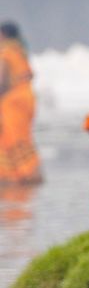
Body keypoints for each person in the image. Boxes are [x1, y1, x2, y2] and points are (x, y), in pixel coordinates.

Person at [0, 21, 41, 184]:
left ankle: (15, 177)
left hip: (13, 101)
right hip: (27, 97)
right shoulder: (21, 51)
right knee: (24, 138)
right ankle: (31, 174)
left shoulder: (6, 52)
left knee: (10, 138)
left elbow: (1, 81)